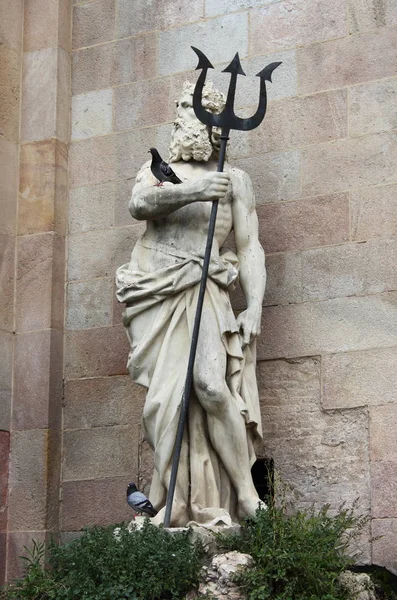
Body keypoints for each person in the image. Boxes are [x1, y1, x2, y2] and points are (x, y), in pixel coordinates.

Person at [116, 81, 266, 527]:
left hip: (206, 288)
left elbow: (250, 245)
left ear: (214, 123)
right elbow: (140, 204)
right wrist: (196, 192)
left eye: (193, 108)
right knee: (163, 402)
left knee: (210, 385)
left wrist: (253, 305)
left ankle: (247, 496)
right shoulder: (154, 170)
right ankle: (170, 503)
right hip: (154, 289)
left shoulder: (236, 180)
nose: (182, 114)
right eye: (181, 106)